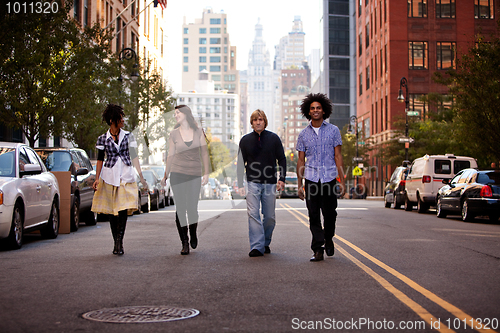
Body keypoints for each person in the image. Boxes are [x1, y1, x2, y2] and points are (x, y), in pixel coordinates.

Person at [92, 104, 148, 255]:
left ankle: (119, 242)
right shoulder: (102, 139)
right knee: (112, 211)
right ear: (112, 120)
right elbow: (99, 160)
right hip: (109, 176)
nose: (123, 120)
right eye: (120, 118)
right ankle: (116, 241)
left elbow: (134, 157)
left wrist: (141, 176)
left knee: (123, 209)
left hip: (126, 175)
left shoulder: (129, 136)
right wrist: (97, 179)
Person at [296, 93, 345, 262]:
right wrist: (299, 184)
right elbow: (301, 160)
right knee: (314, 215)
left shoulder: (334, 131)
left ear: (323, 111)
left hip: (329, 178)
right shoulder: (303, 134)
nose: (315, 111)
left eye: (318, 108)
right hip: (311, 179)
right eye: (312, 108)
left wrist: (342, 181)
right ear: (308, 112)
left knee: (330, 214)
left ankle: (328, 238)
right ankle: (318, 249)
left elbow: (338, 157)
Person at [237, 110, 286, 257]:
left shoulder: (274, 138)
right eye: (255, 120)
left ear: (265, 121)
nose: (258, 122)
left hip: (270, 183)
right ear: (251, 123)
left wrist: (282, 178)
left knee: (269, 216)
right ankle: (257, 247)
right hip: (252, 182)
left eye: (261, 119)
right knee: (253, 214)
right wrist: (240, 184)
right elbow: (240, 163)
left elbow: (282, 159)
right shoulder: (245, 140)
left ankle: (265, 242)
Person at [162, 105, 209, 255]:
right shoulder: (174, 134)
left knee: (192, 208)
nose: (175, 115)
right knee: (181, 209)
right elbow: (170, 155)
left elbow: (204, 154)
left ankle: (193, 232)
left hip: (194, 174)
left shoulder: (198, 132)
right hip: (177, 173)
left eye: (178, 113)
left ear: (186, 114)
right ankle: (184, 242)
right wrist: (165, 175)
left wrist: (206, 173)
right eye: (174, 113)